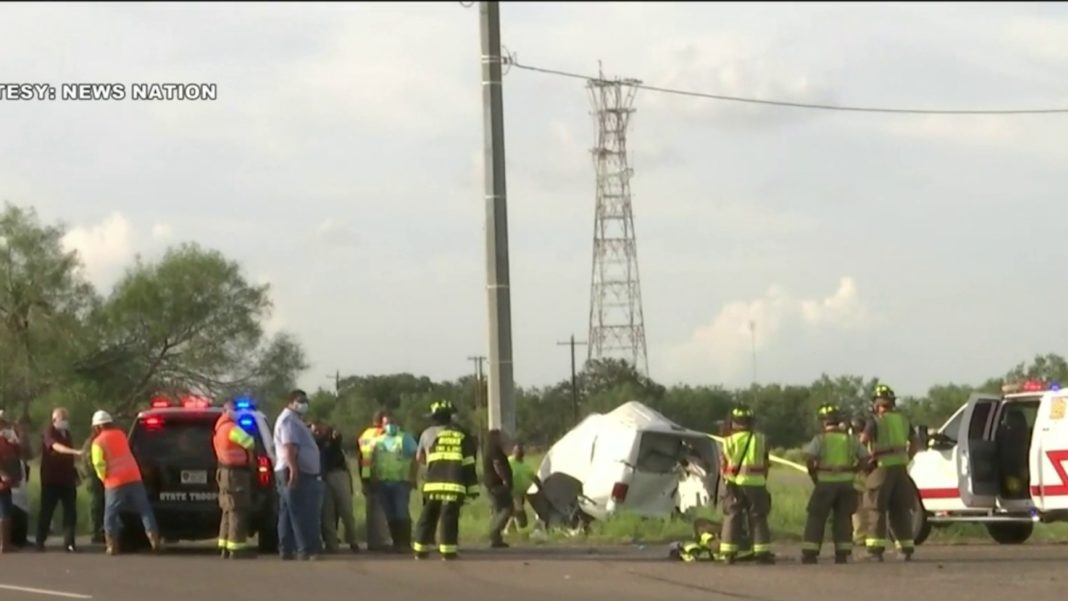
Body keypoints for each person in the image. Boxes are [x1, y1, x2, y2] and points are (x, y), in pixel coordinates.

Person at [801, 404, 869, 565]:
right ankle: (842, 554)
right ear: (838, 421)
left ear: (823, 422)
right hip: (846, 484)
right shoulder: (851, 440)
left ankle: (810, 554)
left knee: (816, 518)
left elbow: (809, 458)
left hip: (825, 484)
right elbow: (866, 459)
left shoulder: (820, 439)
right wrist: (854, 470)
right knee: (843, 519)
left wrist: (814, 474)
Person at [860, 384, 920, 562]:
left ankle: (875, 551)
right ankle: (905, 548)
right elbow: (915, 442)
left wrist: (866, 461)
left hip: (882, 468)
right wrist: (907, 458)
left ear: (876, 404)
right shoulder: (903, 420)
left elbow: (863, 442)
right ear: (892, 403)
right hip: (901, 469)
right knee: (900, 509)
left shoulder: (875, 421)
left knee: (876, 508)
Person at [413, 399, 478, 560]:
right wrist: (472, 489)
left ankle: (420, 550)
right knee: (449, 517)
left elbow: (420, 458)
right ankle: (448, 552)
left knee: (428, 516)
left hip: (432, 483)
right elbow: (469, 463)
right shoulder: (462, 435)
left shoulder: (427, 434)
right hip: (454, 485)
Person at [90, 410, 160, 556]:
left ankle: (112, 545)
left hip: (115, 481)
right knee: (144, 510)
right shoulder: (121, 434)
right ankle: (154, 541)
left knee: (110, 514)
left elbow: (98, 463)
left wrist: (103, 478)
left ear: (97, 427)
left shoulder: (98, 442)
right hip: (134, 476)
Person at [719, 405, 774, 565]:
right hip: (757, 484)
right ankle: (761, 553)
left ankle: (728, 554)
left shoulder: (727, 441)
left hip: (733, 483)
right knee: (758, 517)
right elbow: (765, 463)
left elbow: (724, 464)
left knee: (732, 516)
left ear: (734, 422)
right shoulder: (761, 439)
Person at [273, 390, 323, 560]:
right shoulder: (289, 421)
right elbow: (289, 447)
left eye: (305, 400)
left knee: (287, 512)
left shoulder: (295, 420)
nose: (303, 404)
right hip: (293, 470)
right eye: (300, 400)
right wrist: (294, 470)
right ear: (291, 402)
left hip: (291, 469)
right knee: (301, 511)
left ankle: (286, 549)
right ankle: (305, 549)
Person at [36, 407, 84, 553]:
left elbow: (67, 457)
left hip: (67, 479)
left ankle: (69, 542)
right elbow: (57, 447)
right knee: (47, 511)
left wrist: (75, 472)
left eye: (66, 418)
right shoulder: (49, 432)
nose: (65, 422)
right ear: (54, 419)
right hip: (51, 479)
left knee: (70, 512)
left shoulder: (67, 434)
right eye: (62, 419)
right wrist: (76, 452)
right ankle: (40, 541)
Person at [213, 400, 256, 559]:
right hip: (236, 474)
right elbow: (249, 442)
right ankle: (237, 548)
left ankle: (224, 545)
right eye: (233, 409)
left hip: (224, 472)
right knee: (238, 510)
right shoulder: (231, 428)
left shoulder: (218, 429)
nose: (235, 411)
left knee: (227, 510)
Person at [370, 414, 417, 553]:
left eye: (392, 422)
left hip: (401, 482)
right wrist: (373, 477)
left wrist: (413, 476)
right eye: (386, 423)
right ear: (382, 426)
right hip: (383, 482)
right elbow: (372, 460)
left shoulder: (404, 438)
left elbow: (415, 457)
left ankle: (405, 543)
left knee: (401, 511)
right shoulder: (378, 441)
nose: (390, 425)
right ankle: (396, 543)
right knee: (389, 513)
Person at [313, 421, 359, 554]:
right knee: (327, 514)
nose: (316, 432)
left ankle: (353, 540)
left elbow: (337, 438)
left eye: (318, 430)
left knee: (346, 510)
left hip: (338, 474)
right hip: (323, 477)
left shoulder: (331, 441)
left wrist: (330, 433)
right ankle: (331, 544)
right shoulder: (313, 443)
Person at [357, 410, 389, 551]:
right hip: (377, 472)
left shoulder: (365, 434)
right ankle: (380, 542)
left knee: (371, 508)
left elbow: (362, 456)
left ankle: (373, 541)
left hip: (366, 470)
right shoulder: (380, 434)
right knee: (380, 510)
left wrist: (364, 477)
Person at [482, 429, 513, 549]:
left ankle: (496, 538)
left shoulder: (488, 449)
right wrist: (505, 478)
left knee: (497, 509)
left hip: (491, 483)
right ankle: (494, 532)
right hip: (497, 483)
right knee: (507, 508)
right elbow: (498, 465)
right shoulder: (494, 450)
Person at [0, 410, 25, 554]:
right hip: (3, 481)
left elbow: (19, 452)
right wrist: (3, 475)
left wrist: (18, 433)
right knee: (4, 513)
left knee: (6, 512)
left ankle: (6, 543)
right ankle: (5, 544)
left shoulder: (6, 439)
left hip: (8, 481)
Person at [506, 443, 540, 533]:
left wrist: (540, 486)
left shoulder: (525, 466)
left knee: (515, 511)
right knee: (518, 511)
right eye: (517, 451)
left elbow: (533, 477)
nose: (519, 452)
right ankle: (513, 526)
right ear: (513, 452)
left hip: (520, 493)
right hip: (510, 491)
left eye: (520, 451)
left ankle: (510, 529)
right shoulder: (509, 462)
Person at [82, 432, 105, 544]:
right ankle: (95, 532)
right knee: (96, 506)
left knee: (101, 505)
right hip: (94, 478)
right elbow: (89, 462)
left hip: (101, 477)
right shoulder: (92, 442)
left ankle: (100, 531)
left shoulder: (98, 440)